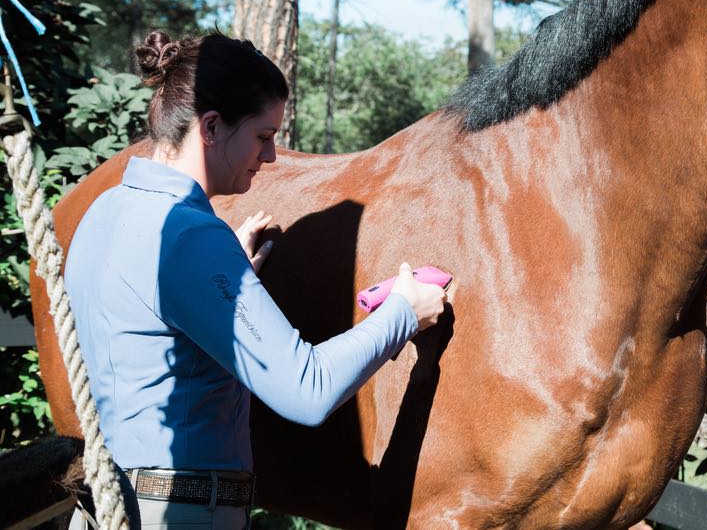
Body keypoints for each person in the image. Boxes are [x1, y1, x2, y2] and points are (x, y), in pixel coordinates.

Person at [64, 30, 447, 528]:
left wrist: (224, 279)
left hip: (104, 506)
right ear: (211, 126)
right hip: (181, 515)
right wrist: (404, 312)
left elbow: (146, 328)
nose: (270, 157)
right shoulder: (192, 238)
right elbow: (307, 390)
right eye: (263, 137)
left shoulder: (102, 211)